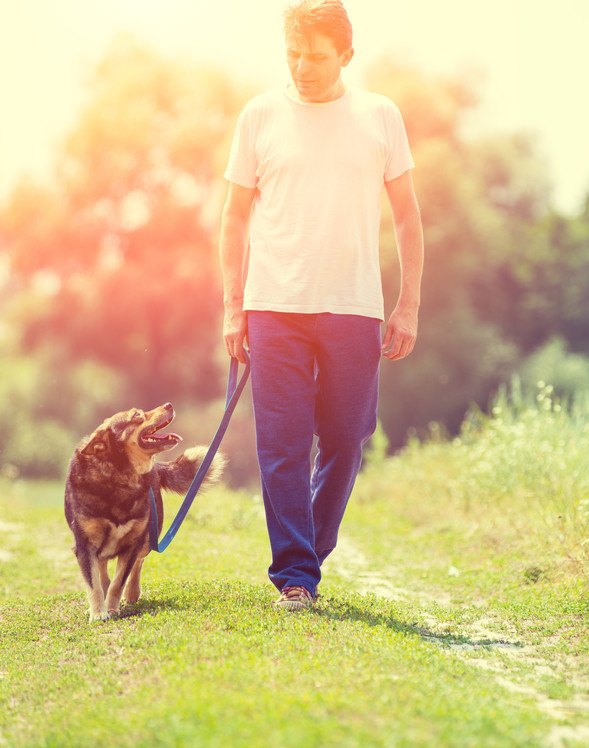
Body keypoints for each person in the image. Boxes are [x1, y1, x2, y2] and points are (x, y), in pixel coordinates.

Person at [219, 0, 423, 611]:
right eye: (293, 54)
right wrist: (234, 307)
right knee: (281, 442)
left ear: (346, 56)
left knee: (345, 439)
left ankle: (308, 550)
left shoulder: (381, 117)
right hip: (273, 305)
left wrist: (408, 304)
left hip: (354, 306)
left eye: (316, 56)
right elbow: (232, 217)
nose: (302, 67)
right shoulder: (258, 116)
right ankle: (297, 575)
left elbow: (409, 218)